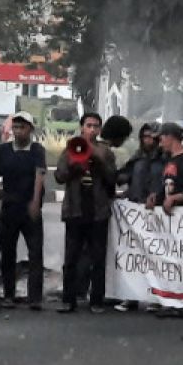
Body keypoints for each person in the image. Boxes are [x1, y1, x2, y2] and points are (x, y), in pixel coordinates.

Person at [55, 112, 117, 314]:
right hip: (75, 210)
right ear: (82, 127)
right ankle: (68, 299)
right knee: (71, 258)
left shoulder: (105, 151)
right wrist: (75, 165)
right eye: (89, 125)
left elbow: (111, 180)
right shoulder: (69, 149)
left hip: (98, 211)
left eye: (96, 126)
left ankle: (96, 300)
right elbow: (59, 176)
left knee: (98, 259)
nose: (92, 129)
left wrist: (97, 160)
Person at [0, 112, 47, 309]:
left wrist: (35, 201)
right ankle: (9, 294)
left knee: (35, 253)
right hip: (9, 206)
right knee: (7, 252)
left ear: (30, 129)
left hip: (29, 206)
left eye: (22, 127)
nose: (18, 131)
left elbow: (39, 175)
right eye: (16, 127)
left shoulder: (37, 150)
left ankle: (35, 297)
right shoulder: (3, 150)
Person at [122, 123, 163, 203]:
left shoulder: (165, 159)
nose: (147, 140)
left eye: (150, 137)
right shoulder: (137, 158)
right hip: (137, 206)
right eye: (145, 137)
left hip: (158, 205)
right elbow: (128, 178)